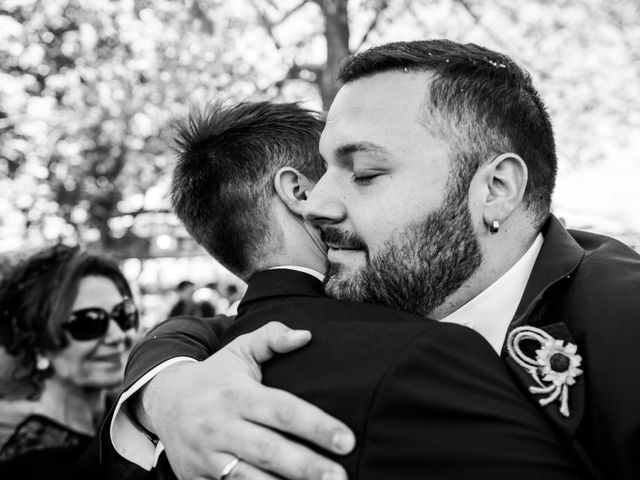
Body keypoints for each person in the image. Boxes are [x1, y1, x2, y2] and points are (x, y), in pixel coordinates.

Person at [112, 40, 640, 479]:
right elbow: (233, 325)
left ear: (496, 189)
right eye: (322, 169)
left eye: (363, 173)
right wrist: (167, 393)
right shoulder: (386, 279)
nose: (317, 206)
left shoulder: (623, 321)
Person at [0, 244, 139, 477]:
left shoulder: (136, 415)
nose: (117, 337)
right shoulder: (24, 466)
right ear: (39, 346)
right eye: (88, 322)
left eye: (123, 315)